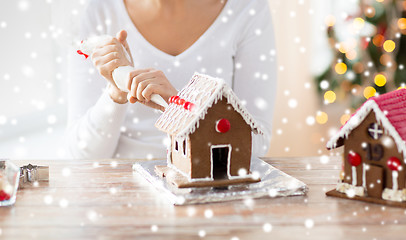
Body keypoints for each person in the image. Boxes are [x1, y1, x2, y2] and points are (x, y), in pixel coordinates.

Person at [67, 0, 277, 159]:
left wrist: (180, 108)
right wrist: (116, 93)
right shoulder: (97, 9)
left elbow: (255, 144)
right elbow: (83, 155)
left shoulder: (247, 9)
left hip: (210, 189)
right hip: (120, 196)